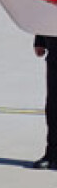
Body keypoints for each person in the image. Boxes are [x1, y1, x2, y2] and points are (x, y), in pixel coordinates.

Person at [33, 35, 57, 169]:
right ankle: (52, 153)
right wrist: (40, 40)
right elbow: (45, 14)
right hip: (54, 47)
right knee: (53, 105)